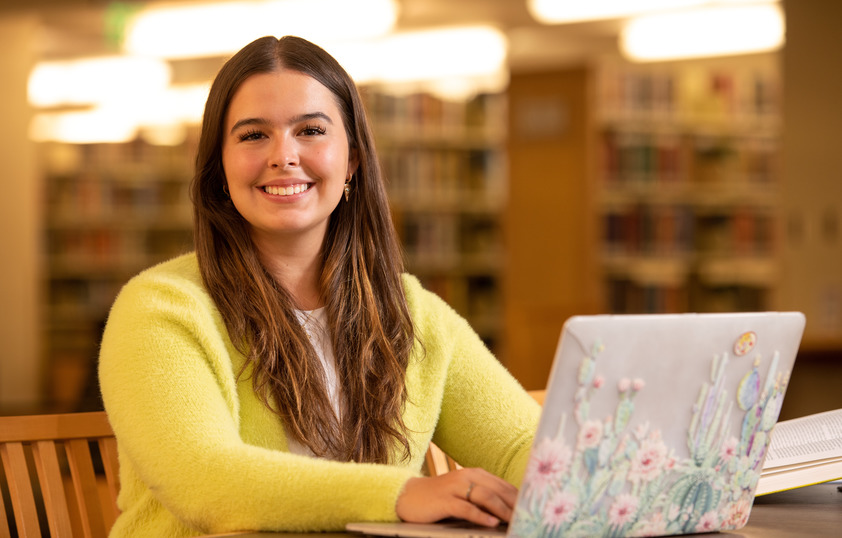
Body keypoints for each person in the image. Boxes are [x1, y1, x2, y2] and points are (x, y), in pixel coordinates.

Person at [98, 35, 540, 536]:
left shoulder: (413, 310)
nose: (284, 156)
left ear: (352, 159)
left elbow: (523, 444)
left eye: (310, 130)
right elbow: (205, 479)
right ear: (218, 167)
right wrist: (401, 495)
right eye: (252, 136)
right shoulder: (160, 308)